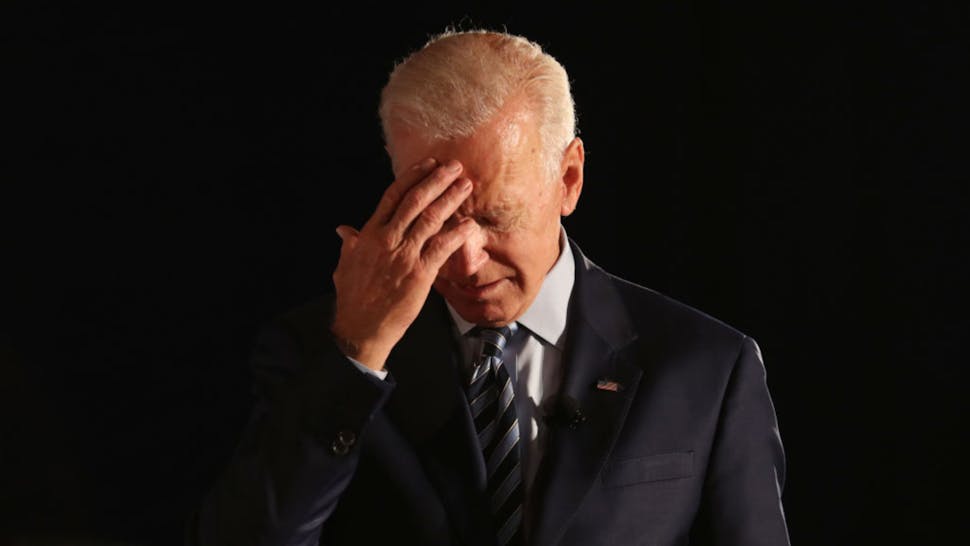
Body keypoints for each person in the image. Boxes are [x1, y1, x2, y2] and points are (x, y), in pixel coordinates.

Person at [190, 30, 790, 546]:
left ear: (569, 180)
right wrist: (355, 355)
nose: (468, 263)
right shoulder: (310, 353)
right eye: (439, 219)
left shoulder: (707, 368)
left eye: (497, 218)